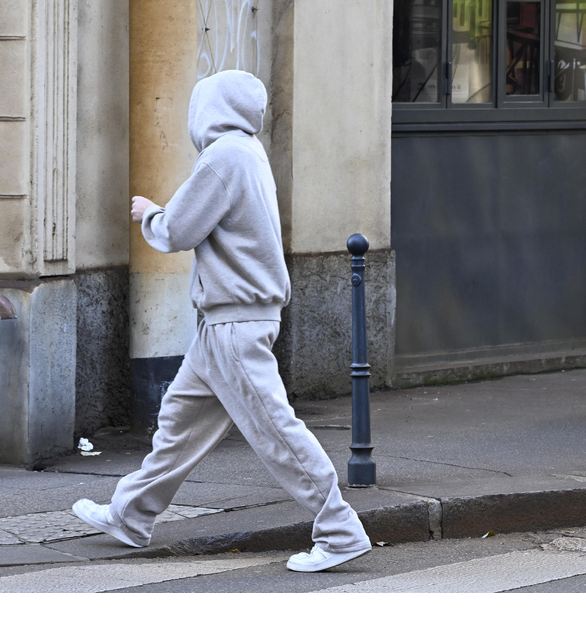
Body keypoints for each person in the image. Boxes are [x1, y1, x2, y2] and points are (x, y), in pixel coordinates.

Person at [72, 69, 372, 573]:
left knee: (276, 431)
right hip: (226, 324)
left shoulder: (223, 157)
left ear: (208, 110)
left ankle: (340, 530)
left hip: (235, 325)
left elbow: (178, 230)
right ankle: (130, 516)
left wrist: (150, 212)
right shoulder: (249, 153)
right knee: (179, 424)